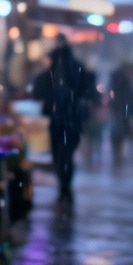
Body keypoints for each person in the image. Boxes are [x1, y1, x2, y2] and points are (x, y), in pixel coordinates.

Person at [30, 36, 98, 202]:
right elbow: (90, 92)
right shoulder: (77, 69)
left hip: (58, 120)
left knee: (59, 152)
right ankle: (65, 182)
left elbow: (38, 92)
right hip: (73, 120)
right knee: (67, 152)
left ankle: (64, 182)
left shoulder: (52, 73)